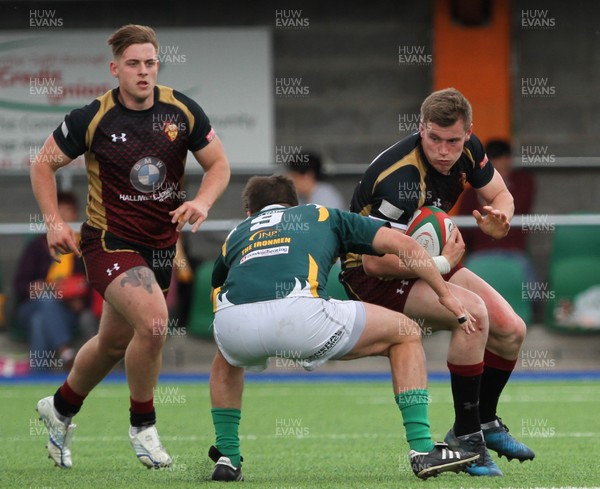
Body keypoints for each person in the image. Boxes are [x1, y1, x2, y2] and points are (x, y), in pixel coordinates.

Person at [31, 24, 230, 469]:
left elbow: (219, 165)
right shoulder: (92, 118)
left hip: (160, 246)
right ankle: (143, 426)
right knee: (156, 324)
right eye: (134, 64)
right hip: (109, 241)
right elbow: (42, 164)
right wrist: (52, 221)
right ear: (115, 68)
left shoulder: (181, 110)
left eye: (151, 63)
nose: (144, 72)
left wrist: (201, 200)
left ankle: (60, 409)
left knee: (110, 343)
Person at [206, 175, 480, 482]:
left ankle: (228, 455)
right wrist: (443, 279)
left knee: (226, 357)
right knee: (405, 333)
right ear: (295, 205)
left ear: (250, 212)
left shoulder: (238, 231)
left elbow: (217, 281)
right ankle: (422, 449)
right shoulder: (320, 213)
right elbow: (400, 243)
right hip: (300, 317)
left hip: (233, 323)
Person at [340, 88, 534, 477]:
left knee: (512, 329)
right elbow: (377, 263)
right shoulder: (400, 179)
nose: (444, 151)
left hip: (426, 258)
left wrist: (501, 215)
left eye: (454, 141)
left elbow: (499, 193)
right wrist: (443, 261)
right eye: (434, 139)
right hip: (370, 272)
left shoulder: (468, 148)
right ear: (421, 128)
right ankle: (466, 439)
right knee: (473, 315)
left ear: (468, 133)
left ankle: (485, 422)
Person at [13, 191, 93, 371]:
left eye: (69, 211)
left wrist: (77, 299)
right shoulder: (37, 246)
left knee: (39, 321)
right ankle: (66, 352)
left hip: (67, 311)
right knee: (45, 298)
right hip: (30, 306)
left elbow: (90, 285)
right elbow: (19, 285)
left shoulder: (82, 247)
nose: (64, 216)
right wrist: (38, 288)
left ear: (75, 215)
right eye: (59, 211)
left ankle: (37, 377)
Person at [457, 139, 537, 282]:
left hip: (514, 252)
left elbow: (518, 207)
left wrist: (498, 194)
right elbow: (463, 231)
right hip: (480, 253)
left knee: (532, 289)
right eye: (497, 165)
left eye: (505, 160)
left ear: (510, 160)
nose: (502, 167)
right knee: (465, 284)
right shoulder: (470, 193)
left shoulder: (524, 182)